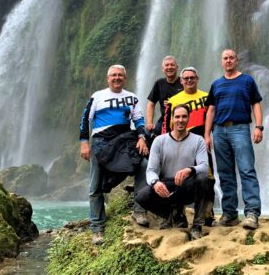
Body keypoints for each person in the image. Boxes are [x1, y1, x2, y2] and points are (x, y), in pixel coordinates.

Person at [79, 65, 149, 245]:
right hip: (101, 142)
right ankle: (97, 228)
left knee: (143, 165)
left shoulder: (131, 98)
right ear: (107, 78)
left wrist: (141, 137)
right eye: (113, 75)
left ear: (125, 78)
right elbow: (85, 119)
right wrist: (84, 143)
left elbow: (139, 119)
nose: (117, 78)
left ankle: (139, 211)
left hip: (124, 141)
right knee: (95, 186)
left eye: (120, 75)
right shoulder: (97, 96)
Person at [204, 49, 264, 230]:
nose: (228, 61)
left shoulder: (247, 81)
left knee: (246, 170)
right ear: (221, 62)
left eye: (231, 58)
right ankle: (229, 214)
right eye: (225, 58)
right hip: (219, 131)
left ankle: (252, 213)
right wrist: (207, 134)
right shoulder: (216, 84)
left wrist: (259, 127)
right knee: (225, 173)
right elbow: (211, 111)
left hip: (240, 128)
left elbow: (256, 104)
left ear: (236, 61)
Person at [136, 104, 209, 240]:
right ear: (172, 119)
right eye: (177, 117)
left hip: (186, 185)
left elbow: (204, 166)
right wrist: (155, 182)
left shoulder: (198, 140)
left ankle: (197, 226)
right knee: (141, 196)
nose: (180, 120)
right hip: (165, 186)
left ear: (188, 119)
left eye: (184, 116)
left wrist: (190, 170)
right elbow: (151, 170)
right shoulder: (159, 141)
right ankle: (169, 214)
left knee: (203, 178)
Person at [164, 67, 215, 225]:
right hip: (181, 142)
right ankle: (179, 214)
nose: (189, 80)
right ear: (181, 80)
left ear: (197, 78)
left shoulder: (207, 97)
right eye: (186, 78)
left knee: (207, 177)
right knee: (178, 177)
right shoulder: (173, 100)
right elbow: (166, 125)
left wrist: (208, 136)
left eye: (192, 77)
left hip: (202, 141)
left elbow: (211, 118)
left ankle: (207, 213)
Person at [146, 56, 183, 136]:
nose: (169, 67)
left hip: (182, 119)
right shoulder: (159, 83)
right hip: (164, 120)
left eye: (172, 65)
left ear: (177, 68)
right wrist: (149, 123)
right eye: (167, 65)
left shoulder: (183, 82)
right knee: (149, 134)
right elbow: (151, 104)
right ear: (162, 69)